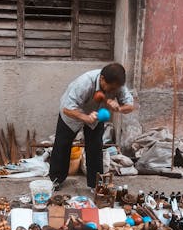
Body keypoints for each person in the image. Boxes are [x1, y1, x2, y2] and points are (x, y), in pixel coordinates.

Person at [49, 63, 134, 191]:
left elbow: (130, 106)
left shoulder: (117, 85)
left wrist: (119, 108)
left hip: (97, 115)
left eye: (114, 90)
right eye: (110, 89)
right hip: (72, 113)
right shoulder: (85, 82)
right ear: (102, 79)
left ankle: (95, 184)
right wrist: (85, 117)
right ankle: (56, 179)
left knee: (95, 147)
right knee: (62, 144)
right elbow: (67, 108)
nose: (112, 91)